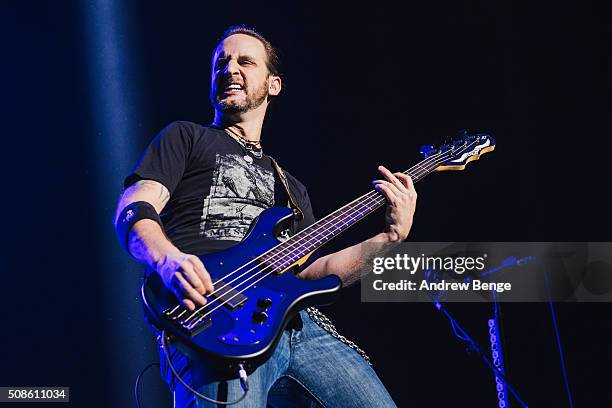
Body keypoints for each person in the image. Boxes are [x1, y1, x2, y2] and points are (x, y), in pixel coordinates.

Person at [115, 25, 417, 407]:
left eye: (245, 61)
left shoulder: (291, 187)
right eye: (220, 63)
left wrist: (389, 240)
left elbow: (308, 274)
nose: (230, 69)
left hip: (295, 326)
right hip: (211, 316)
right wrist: (168, 258)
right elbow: (133, 206)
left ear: (273, 85)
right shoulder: (186, 137)